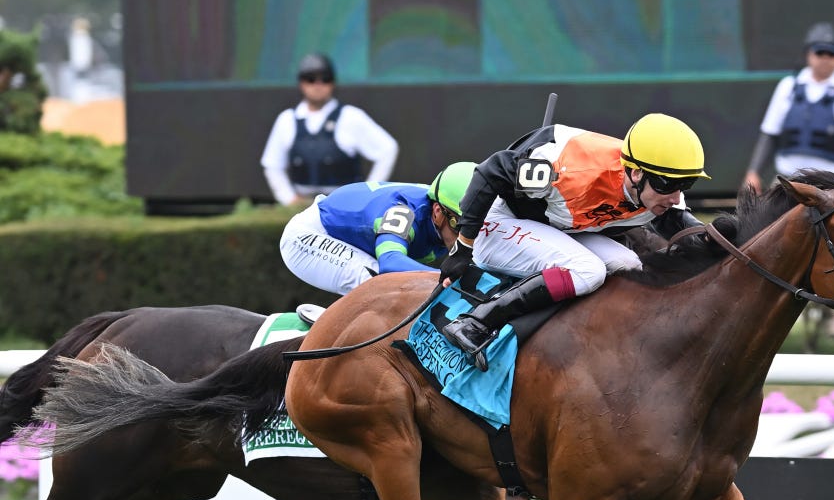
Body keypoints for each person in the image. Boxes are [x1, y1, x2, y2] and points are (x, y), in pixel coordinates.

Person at [438, 113, 710, 371]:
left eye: (684, 185)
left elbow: (682, 226)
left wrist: (720, 241)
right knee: (588, 270)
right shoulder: (567, 169)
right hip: (500, 223)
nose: (675, 197)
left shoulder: (657, 186)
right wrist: (463, 247)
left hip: (558, 229)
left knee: (628, 266)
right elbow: (489, 171)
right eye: (668, 185)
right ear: (636, 173)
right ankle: (477, 323)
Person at [743, 22, 834, 205]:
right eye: (819, 52)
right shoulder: (787, 87)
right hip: (788, 183)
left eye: (832, 53)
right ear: (808, 54)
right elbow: (769, 134)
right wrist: (753, 172)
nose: (825, 58)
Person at [279, 161, 476, 296]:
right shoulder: (404, 211)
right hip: (309, 236)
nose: (468, 237)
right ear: (437, 212)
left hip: (352, 239)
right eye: (460, 227)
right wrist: (445, 278)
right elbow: (390, 263)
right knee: (380, 282)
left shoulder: (446, 205)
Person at [261, 53, 399, 207]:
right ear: (301, 83)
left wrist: (367, 195)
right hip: (301, 210)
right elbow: (272, 164)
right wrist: (289, 199)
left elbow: (388, 149)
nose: (318, 85)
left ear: (333, 83)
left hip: (344, 207)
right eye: (310, 79)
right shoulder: (286, 120)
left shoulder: (351, 117)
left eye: (325, 79)